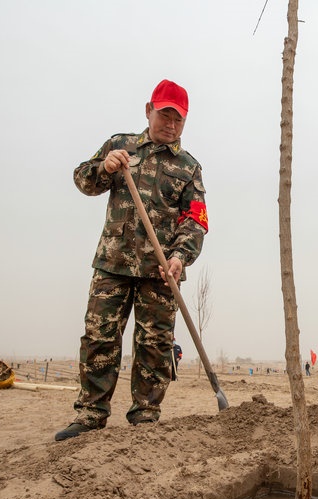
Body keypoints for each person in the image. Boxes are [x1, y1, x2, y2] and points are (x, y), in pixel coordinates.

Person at [56, 79, 209, 441]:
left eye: (178, 120)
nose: (171, 125)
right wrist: (104, 168)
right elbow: (83, 180)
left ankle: (145, 416)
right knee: (99, 339)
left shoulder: (189, 168)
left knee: (155, 346)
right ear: (148, 111)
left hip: (160, 272)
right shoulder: (120, 147)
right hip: (113, 264)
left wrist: (179, 257)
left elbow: (196, 220)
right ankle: (91, 414)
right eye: (165, 116)